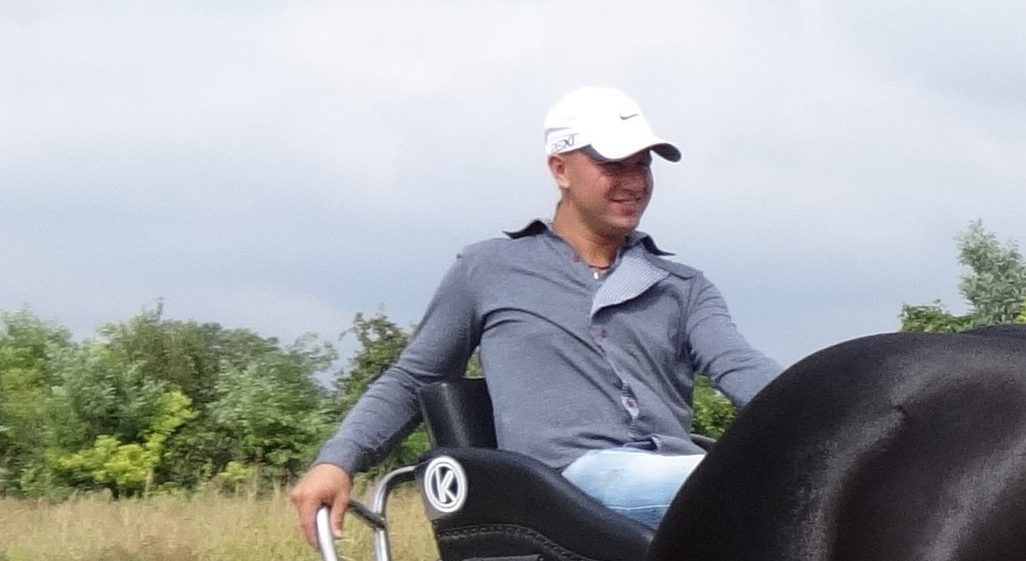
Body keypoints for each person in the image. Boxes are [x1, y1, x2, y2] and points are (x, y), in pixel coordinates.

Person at [289, 85, 780, 536]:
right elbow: (413, 378)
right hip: (563, 488)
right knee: (752, 487)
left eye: (643, 165)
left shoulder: (682, 286)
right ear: (560, 169)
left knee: (799, 479)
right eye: (614, 165)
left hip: (671, 471)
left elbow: (741, 368)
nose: (634, 182)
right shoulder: (490, 268)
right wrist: (338, 460)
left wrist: (830, 416)